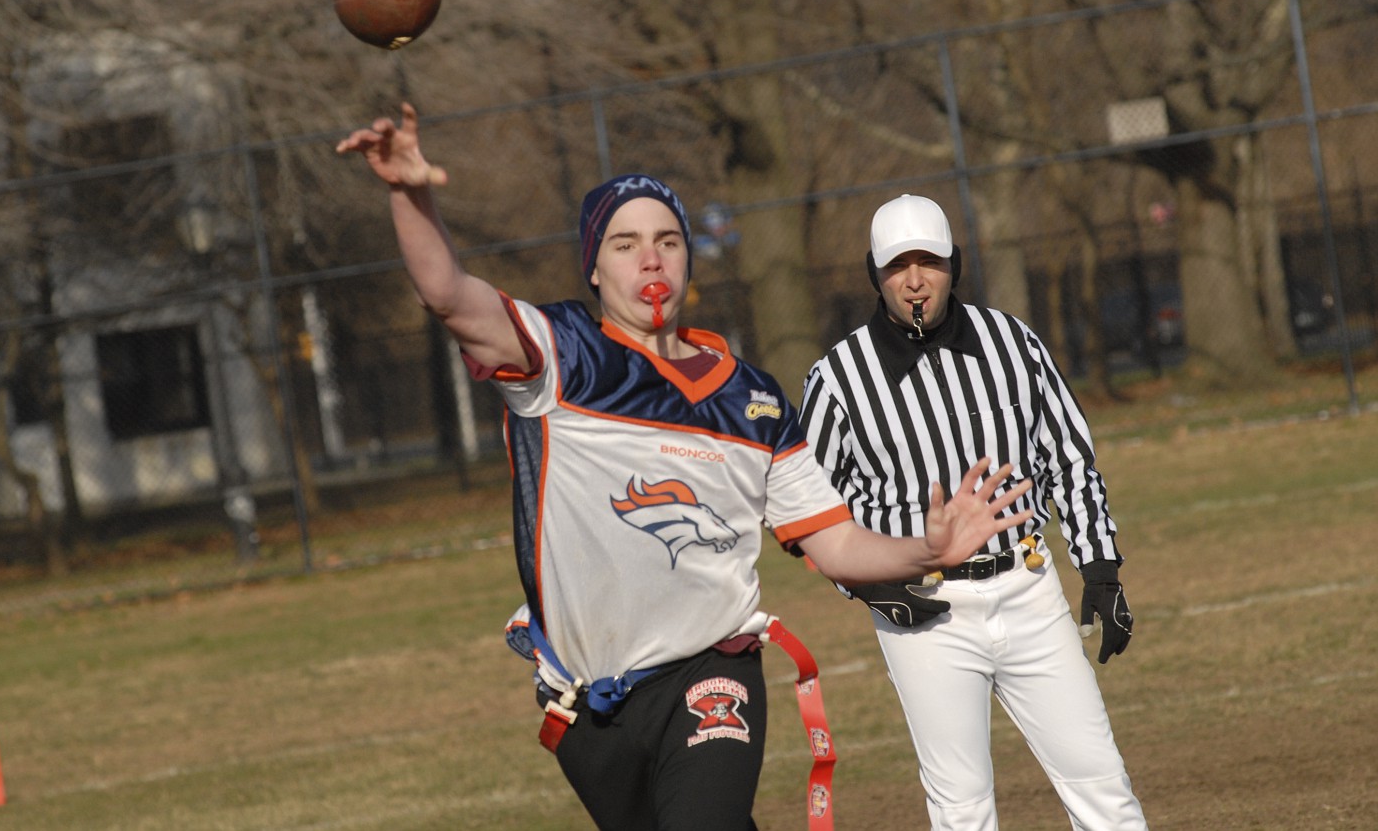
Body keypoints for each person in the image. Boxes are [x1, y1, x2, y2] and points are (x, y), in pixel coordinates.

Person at [335, 105, 1034, 831]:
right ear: (594, 267)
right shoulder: (562, 357)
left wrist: (926, 548)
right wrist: (410, 193)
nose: (651, 258)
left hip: (713, 669)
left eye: (668, 240)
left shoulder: (753, 397)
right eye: (626, 242)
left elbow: (838, 544)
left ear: (688, 258)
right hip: (586, 701)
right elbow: (448, 293)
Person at [799, 193, 1149, 830]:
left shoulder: (1013, 342)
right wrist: (873, 586)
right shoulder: (837, 378)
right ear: (873, 274)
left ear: (954, 264)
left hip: (1028, 586)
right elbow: (805, 511)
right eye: (895, 265)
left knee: (1102, 784)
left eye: (928, 261)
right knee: (961, 808)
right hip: (925, 611)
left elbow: (1068, 458)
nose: (913, 279)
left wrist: (1100, 567)